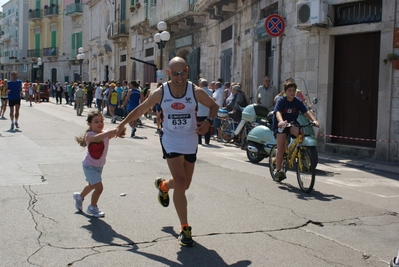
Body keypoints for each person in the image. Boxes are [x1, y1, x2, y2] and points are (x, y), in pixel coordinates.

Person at [116, 56, 219, 247]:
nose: (180, 77)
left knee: (184, 185)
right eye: (176, 74)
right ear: (169, 74)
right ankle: (185, 228)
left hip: (190, 139)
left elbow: (214, 106)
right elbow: (141, 108)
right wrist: (122, 124)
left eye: (183, 73)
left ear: (187, 71)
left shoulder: (194, 91)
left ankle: (163, 186)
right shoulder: (160, 93)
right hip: (170, 139)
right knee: (180, 183)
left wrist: (208, 122)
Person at [73, 110, 123, 217]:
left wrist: (120, 131)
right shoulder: (89, 135)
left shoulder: (105, 133)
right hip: (89, 166)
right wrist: (109, 133)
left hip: (99, 166)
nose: (100, 123)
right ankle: (92, 207)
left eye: (101, 121)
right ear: (89, 124)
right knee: (99, 188)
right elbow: (96, 139)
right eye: (96, 121)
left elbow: (115, 132)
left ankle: (79, 197)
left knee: (91, 185)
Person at [273, 80, 319, 181]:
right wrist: (281, 122)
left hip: (291, 123)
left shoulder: (297, 101)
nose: (292, 92)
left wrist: (314, 120)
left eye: (293, 90)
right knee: (280, 147)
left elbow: (306, 112)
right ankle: (278, 170)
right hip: (281, 124)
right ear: (285, 92)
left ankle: (299, 151)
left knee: (301, 131)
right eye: (289, 90)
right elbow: (278, 113)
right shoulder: (281, 101)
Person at [197, 79, 213, 145]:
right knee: (207, 127)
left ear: (202, 84)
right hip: (208, 112)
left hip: (200, 112)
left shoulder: (199, 91)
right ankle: (207, 141)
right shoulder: (211, 91)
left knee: (199, 126)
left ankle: (199, 141)